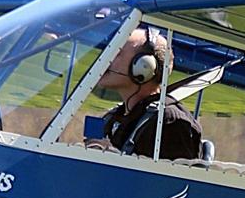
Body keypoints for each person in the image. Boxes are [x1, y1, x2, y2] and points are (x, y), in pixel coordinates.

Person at [87, 27, 204, 161]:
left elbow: (173, 180)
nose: (106, 59)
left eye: (117, 53)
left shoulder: (169, 122)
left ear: (144, 66)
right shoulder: (113, 117)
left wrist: (113, 157)